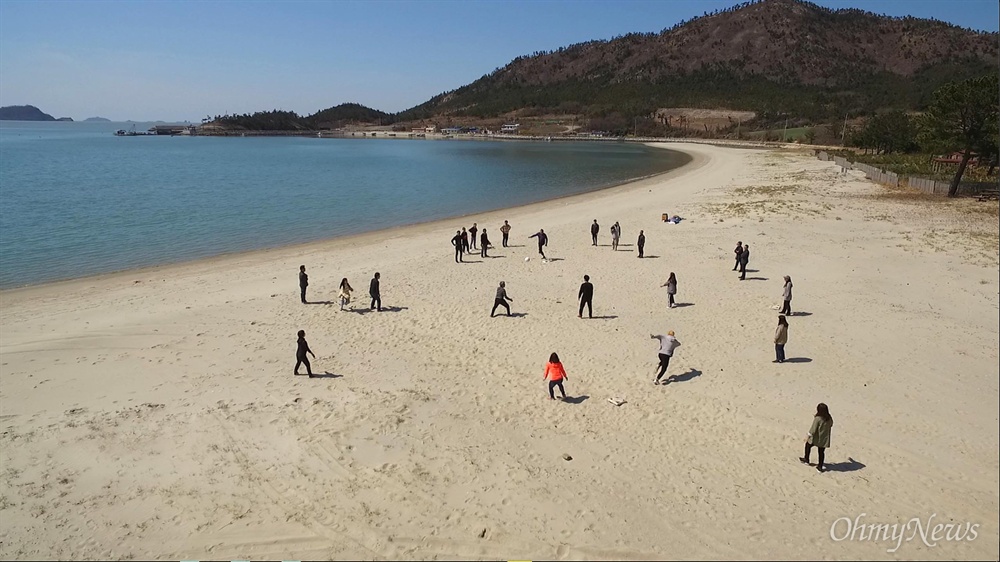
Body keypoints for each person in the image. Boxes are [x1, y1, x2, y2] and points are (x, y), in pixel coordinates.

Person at [800, 403, 833, 472]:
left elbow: (813, 429)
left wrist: (808, 436)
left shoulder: (818, 419)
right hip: (824, 438)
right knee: (821, 452)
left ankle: (806, 459)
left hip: (816, 438)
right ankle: (820, 466)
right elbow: (831, 424)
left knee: (808, 446)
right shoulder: (829, 418)